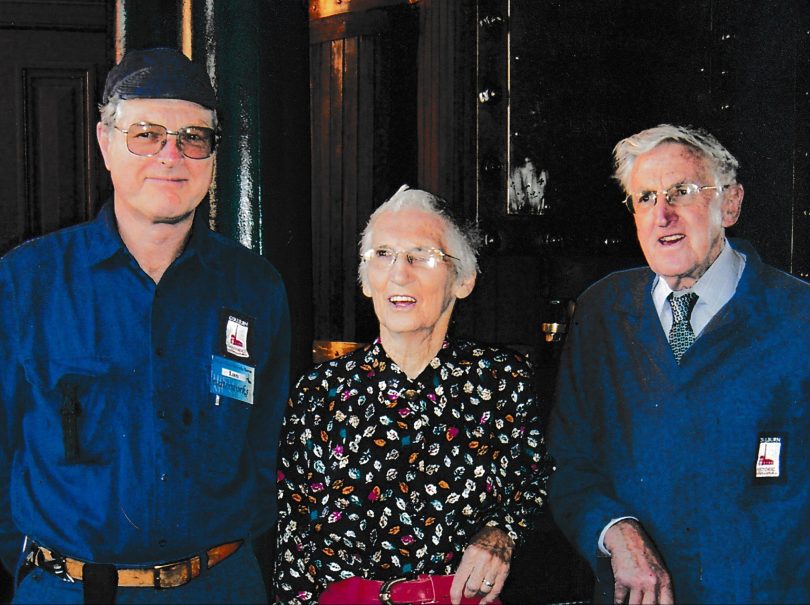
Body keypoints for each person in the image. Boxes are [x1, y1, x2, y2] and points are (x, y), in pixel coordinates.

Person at [0, 47, 290, 604]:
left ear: (211, 156)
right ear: (106, 144)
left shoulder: (256, 289)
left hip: (220, 589)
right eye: (146, 134)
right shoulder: (25, 284)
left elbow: (264, 448)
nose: (170, 156)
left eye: (193, 138)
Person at [547, 124, 810, 604]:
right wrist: (613, 529)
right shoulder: (602, 313)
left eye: (681, 192)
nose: (662, 215)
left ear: (730, 204)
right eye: (645, 198)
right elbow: (567, 463)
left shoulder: (798, 318)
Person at [274, 185, 551, 605]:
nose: (398, 273)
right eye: (382, 255)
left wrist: (502, 531)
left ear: (463, 280)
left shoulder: (500, 382)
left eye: (421, 255)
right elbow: (293, 544)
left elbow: (531, 483)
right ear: (366, 282)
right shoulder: (320, 393)